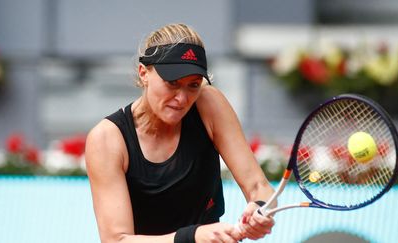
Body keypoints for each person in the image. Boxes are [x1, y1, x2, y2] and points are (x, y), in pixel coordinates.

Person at [85, 23, 276, 243]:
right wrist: (192, 237)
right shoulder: (107, 139)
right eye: (172, 83)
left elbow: (259, 187)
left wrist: (260, 210)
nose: (182, 98)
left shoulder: (209, 103)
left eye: (193, 85)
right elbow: (116, 240)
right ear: (143, 73)